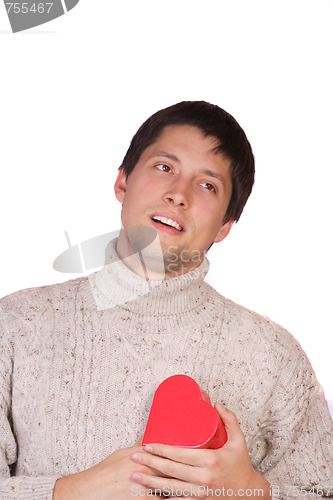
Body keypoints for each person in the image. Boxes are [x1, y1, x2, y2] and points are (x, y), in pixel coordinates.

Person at [0, 101, 332, 500]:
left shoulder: (275, 356)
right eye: (164, 167)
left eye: (207, 185)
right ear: (122, 181)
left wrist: (252, 492)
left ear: (225, 224)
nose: (178, 194)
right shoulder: (18, 324)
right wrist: (66, 492)